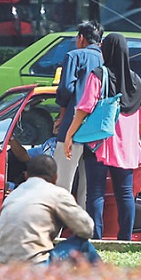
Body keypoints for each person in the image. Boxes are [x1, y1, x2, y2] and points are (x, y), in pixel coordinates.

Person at [64, 32, 141, 240]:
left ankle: (96, 238)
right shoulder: (136, 81)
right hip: (127, 146)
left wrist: (69, 134)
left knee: (95, 192)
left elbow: (84, 108)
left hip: (99, 143)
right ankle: (125, 239)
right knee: (125, 193)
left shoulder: (99, 75)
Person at [0, 155, 97, 264]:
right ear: (55, 178)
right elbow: (87, 229)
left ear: (26, 176)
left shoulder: (13, 195)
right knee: (83, 245)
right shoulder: (56, 194)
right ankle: (104, 278)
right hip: (34, 264)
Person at [54, 21, 104, 208]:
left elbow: (66, 88)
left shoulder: (74, 56)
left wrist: (61, 112)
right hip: (97, 128)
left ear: (81, 38)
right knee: (88, 187)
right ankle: (83, 229)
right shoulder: (104, 59)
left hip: (72, 125)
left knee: (62, 182)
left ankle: (56, 230)